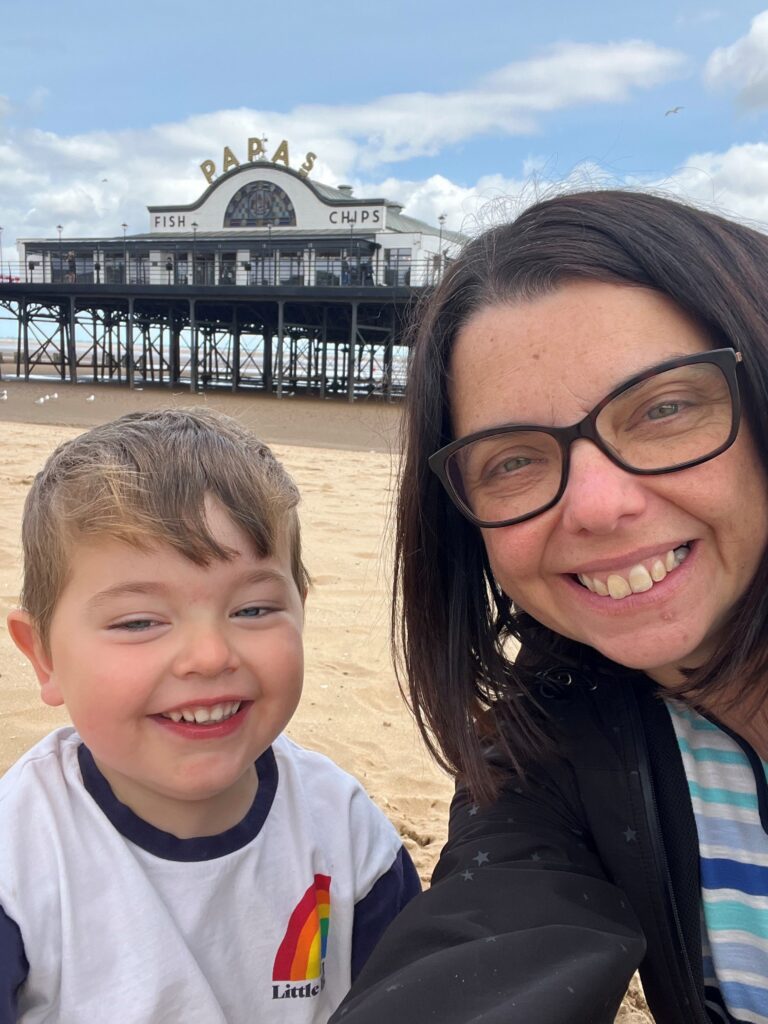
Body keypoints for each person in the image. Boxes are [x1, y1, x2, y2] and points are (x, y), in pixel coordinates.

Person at [330, 189, 768, 1024]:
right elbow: (488, 943)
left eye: (665, 408)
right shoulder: (553, 739)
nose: (599, 506)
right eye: (514, 460)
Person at [0, 408, 419, 1024]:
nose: (209, 655)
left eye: (252, 609)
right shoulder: (20, 859)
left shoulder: (347, 834)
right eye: (139, 621)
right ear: (44, 658)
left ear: (301, 611)